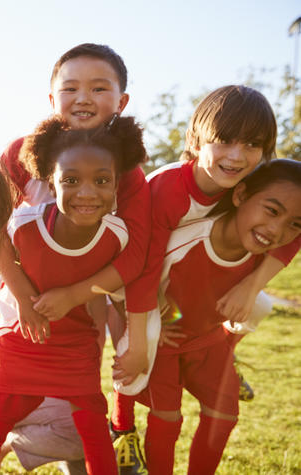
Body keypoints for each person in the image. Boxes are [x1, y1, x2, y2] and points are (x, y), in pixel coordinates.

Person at [0, 42, 151, 472]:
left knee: (79, 393)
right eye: (70, 88)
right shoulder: (22, 152)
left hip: (88, 298)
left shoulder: (127, 172)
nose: (84, 98)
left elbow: (135, 258)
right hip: (18, 292)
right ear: (52, 99)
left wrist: (76, 294)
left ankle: (104, 439)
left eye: (98, 88)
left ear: (121, 101)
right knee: (4, 389)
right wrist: (20, 293)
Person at [110, 85, 297, 472]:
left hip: (189, 283)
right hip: (130, 275)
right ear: (197, 138)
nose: (236, 155)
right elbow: (143, 270)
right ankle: (121, 424)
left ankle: (226, 350)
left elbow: (294, 229)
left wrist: (252, 283)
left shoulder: (252, 184)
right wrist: (149, 326)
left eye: (251, 145)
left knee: (257, 304)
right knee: (137, 354)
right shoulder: (169, 190)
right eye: (224, 140)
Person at [138, 159, 301, 474]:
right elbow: (133, 282)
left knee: (225, 413)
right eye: (272, 211)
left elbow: (293, 240)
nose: (276, 230)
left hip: (208, 340)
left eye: (294, 223)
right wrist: (151, 323)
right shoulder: (186, 241)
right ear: (239, 196)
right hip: (164, 341)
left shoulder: (264, 250)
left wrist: (252, 287)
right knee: (166, 418)